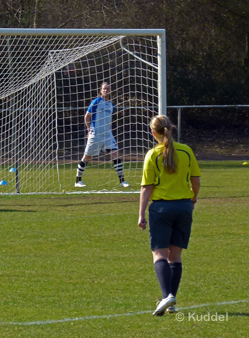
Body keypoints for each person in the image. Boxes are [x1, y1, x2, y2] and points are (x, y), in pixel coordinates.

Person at [138, 115, 201, 316]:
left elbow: (147, 188)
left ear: (153, 133)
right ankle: (171, 301)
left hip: (162, 209)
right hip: (184, 207)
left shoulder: (152, 154)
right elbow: (196, 180)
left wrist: (141, 214)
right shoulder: (186, 151)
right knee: (176, 256)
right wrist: (192, 200)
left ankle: (167, 296)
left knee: (159, 254)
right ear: (171, 129)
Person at [75, 82, 129, 188]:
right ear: (101, 90)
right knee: (87, 157)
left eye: (108, 88)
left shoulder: (111, 105)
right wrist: (89, 128)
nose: (106, 90)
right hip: (96, 134)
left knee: (115, 154)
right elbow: (87, 116)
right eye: (104, 89)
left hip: (108, 134)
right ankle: (78, 181)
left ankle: (122, 181)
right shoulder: (96, 102)